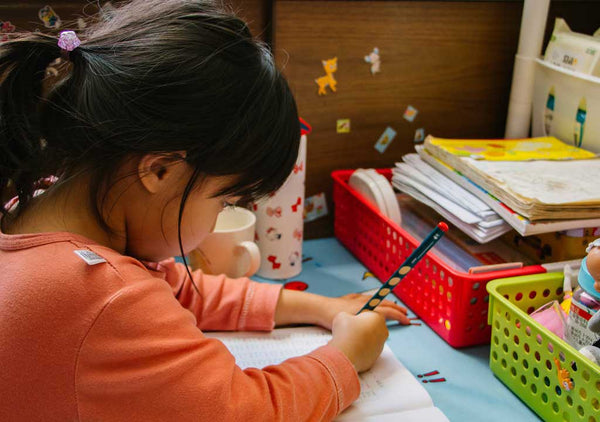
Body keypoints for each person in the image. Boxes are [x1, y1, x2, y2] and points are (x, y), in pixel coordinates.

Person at [0, 1, 409, 420]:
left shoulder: (33, 207)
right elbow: (242, 411)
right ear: (159, 169)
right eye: (225, 201)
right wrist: (345, 358)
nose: (219, 218)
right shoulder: (104, 294)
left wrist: (318, 307)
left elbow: (177, 288)